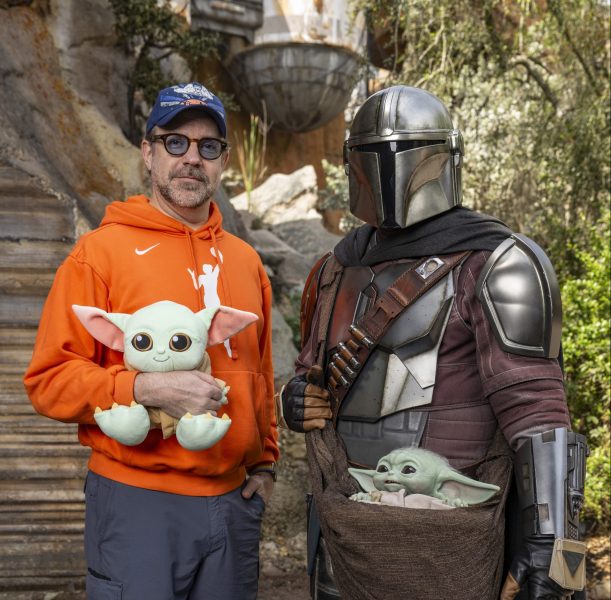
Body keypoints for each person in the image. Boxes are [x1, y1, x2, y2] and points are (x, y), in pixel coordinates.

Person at [279, 86, 587, 600]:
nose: (390, 169)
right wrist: (295, 401)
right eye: (374, 154)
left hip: (452, 538)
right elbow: (313, 375)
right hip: (345, 526)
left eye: (406, 152)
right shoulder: (333, 269)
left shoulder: (498, 264)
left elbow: (538, 414)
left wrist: (551, 548)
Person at [23, 82, 278, 600]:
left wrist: (266, 463)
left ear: (224, 161)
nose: (192, 158)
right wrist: (144, 389)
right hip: (138, 500)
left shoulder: (246, 261)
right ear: (148, 152)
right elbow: (49, 381)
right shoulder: (100, 253)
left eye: (208, 146)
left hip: (232, 504)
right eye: (175, 142)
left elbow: (261, 371)